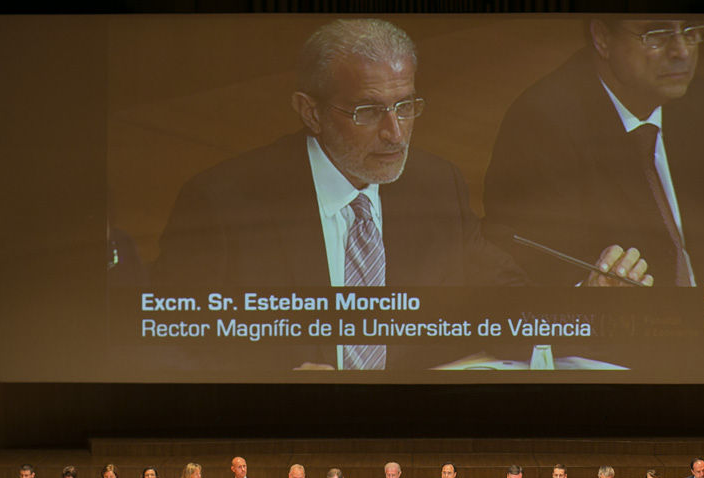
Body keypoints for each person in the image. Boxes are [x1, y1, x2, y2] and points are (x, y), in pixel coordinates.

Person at [152, 18, 525, 371]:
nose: (395, 133)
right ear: (310, 112)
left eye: (405, 107)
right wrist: (276, 379)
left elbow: (500, 293)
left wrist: (579, 306)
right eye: (368, 111)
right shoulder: (222, 205)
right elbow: (167, 340)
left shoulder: (436, 184)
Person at [484, 17, 704, 287]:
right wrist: (589, 291)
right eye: (657, 33)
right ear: (602, 37)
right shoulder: (540, 126)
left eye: (690, 30)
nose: (682, 51)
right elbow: (525, 270)